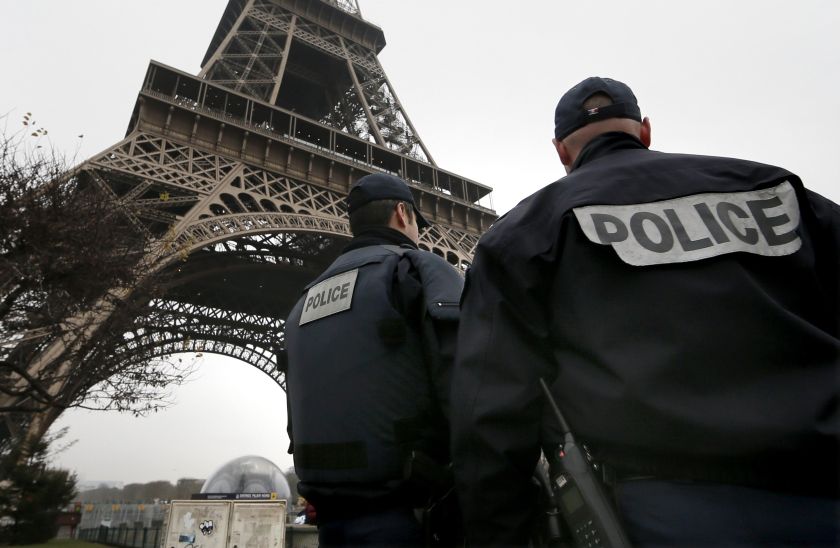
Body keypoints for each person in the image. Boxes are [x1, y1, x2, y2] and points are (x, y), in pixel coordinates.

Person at [451, 76, 840, 546]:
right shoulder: (779, 189)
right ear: (646, 130)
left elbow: (490, 410)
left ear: (561, 152)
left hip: (662, 511)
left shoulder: (526, 233)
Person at [285, 173, 463, 547]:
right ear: (402, 213)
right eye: (417, 222)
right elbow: (472, 387)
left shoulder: (303, 301)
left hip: (332, 522)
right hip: (414, 517)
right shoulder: (416, 270)